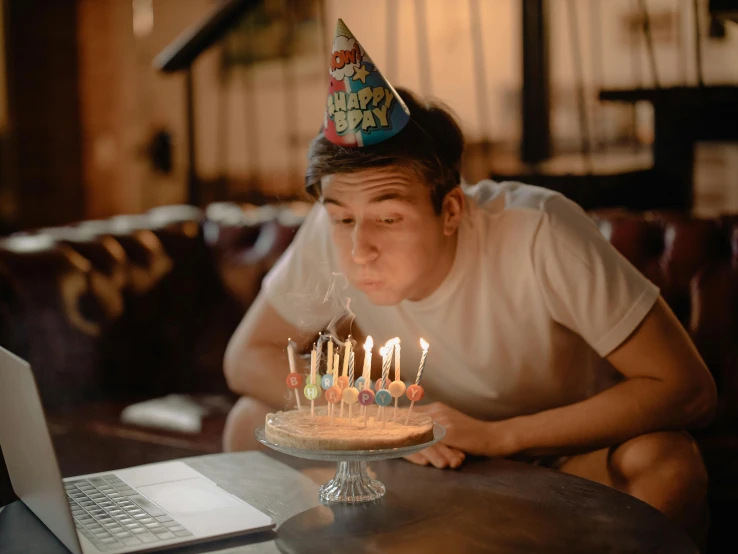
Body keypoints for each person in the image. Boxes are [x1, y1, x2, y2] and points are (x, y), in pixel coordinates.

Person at [223, 19, 716, 546]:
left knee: (666, 462)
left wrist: (500, 436)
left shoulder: (539, 231)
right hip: (420, 456)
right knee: (249, 420)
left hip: (557, 457)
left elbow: (687, 389)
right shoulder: (334, 228)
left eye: (389, 219)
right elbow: (247, 356)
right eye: (343, 217)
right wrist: (374, 424)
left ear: (451, 210)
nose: (359, 246)